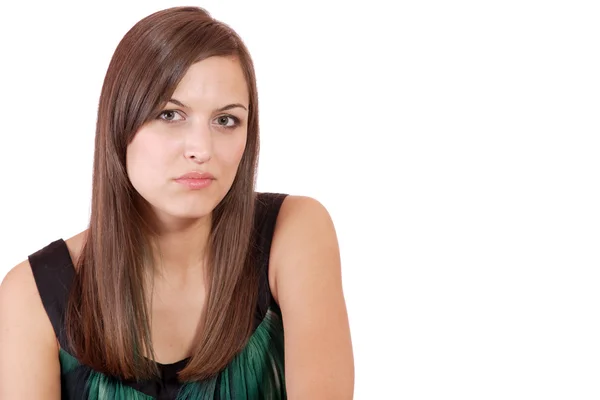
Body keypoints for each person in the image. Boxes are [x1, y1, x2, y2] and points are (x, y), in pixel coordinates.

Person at [0, 6, 354, 399]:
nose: (201, 149)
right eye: (170, 114)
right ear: (120, 124)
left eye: (225, 120)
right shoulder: (33, 293)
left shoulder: (294, 233)